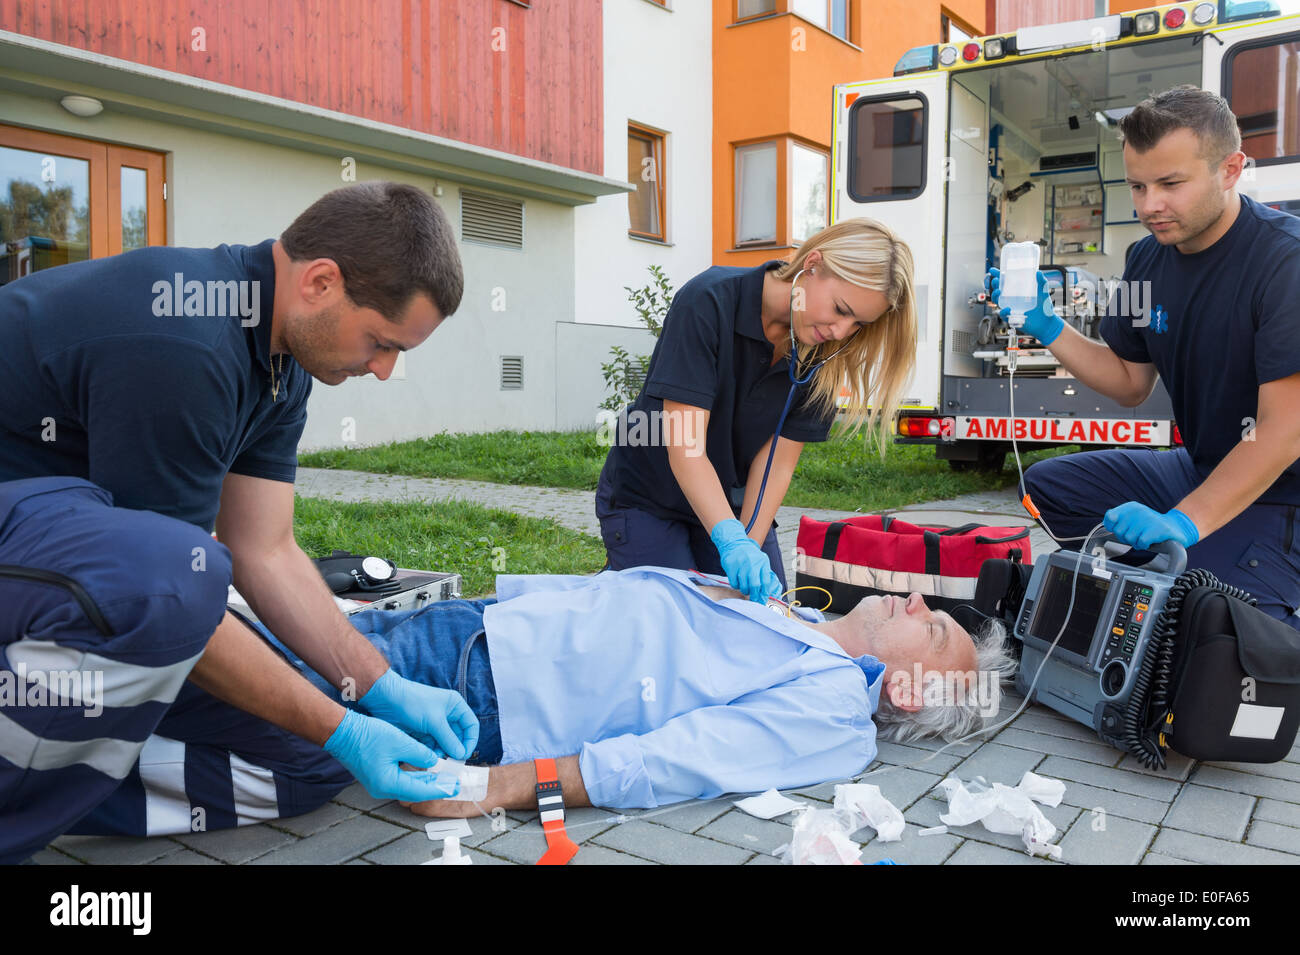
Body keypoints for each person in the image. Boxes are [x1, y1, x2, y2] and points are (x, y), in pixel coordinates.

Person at [0, 182, 478, 866]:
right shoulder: (183, 344)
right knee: (177, 588)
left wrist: (376, 690)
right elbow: (174, 595)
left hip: (61, 580)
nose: (382, 369)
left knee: (311, 760)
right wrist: (345, 726)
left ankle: (68, 771)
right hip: (35, 567)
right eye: (380, 341)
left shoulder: (283, 361)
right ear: (320, 281)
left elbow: (267, 550)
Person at [236, 566, 1014, 816]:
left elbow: (678, 758)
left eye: (935, 626)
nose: (918, 601)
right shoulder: (797, 613)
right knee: (237, 671)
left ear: (910, 693)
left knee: (215, 667)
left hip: (485, 682)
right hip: (484, 630)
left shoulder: (838, 709)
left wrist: (501, 787)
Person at [989, 86, 1300, 630]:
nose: (1149, 204)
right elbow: (1131, 380)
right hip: (1200, 466)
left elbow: (1282, 432)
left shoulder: (1285, 263)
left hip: (1285, 493)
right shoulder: (1146, 259)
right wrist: (1047, 325)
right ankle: (1176, 578)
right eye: (1137, 184)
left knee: (1221, 632)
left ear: (1230, 170)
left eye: (1171, 184)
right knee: (1048, 488)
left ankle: (1203, 581)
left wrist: (1183, 522)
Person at [596, 220, 919, 603]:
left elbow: (775, 466)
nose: (841, 331)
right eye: (840, 309)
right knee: (677, 616)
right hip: (650, 498)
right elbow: (686, 447)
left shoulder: (820, 354)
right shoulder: (708, 301)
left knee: (764, 615)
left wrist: (747, 544)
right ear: (811, 264)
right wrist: (730, 542)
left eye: (857, 323)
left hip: (732, 503)